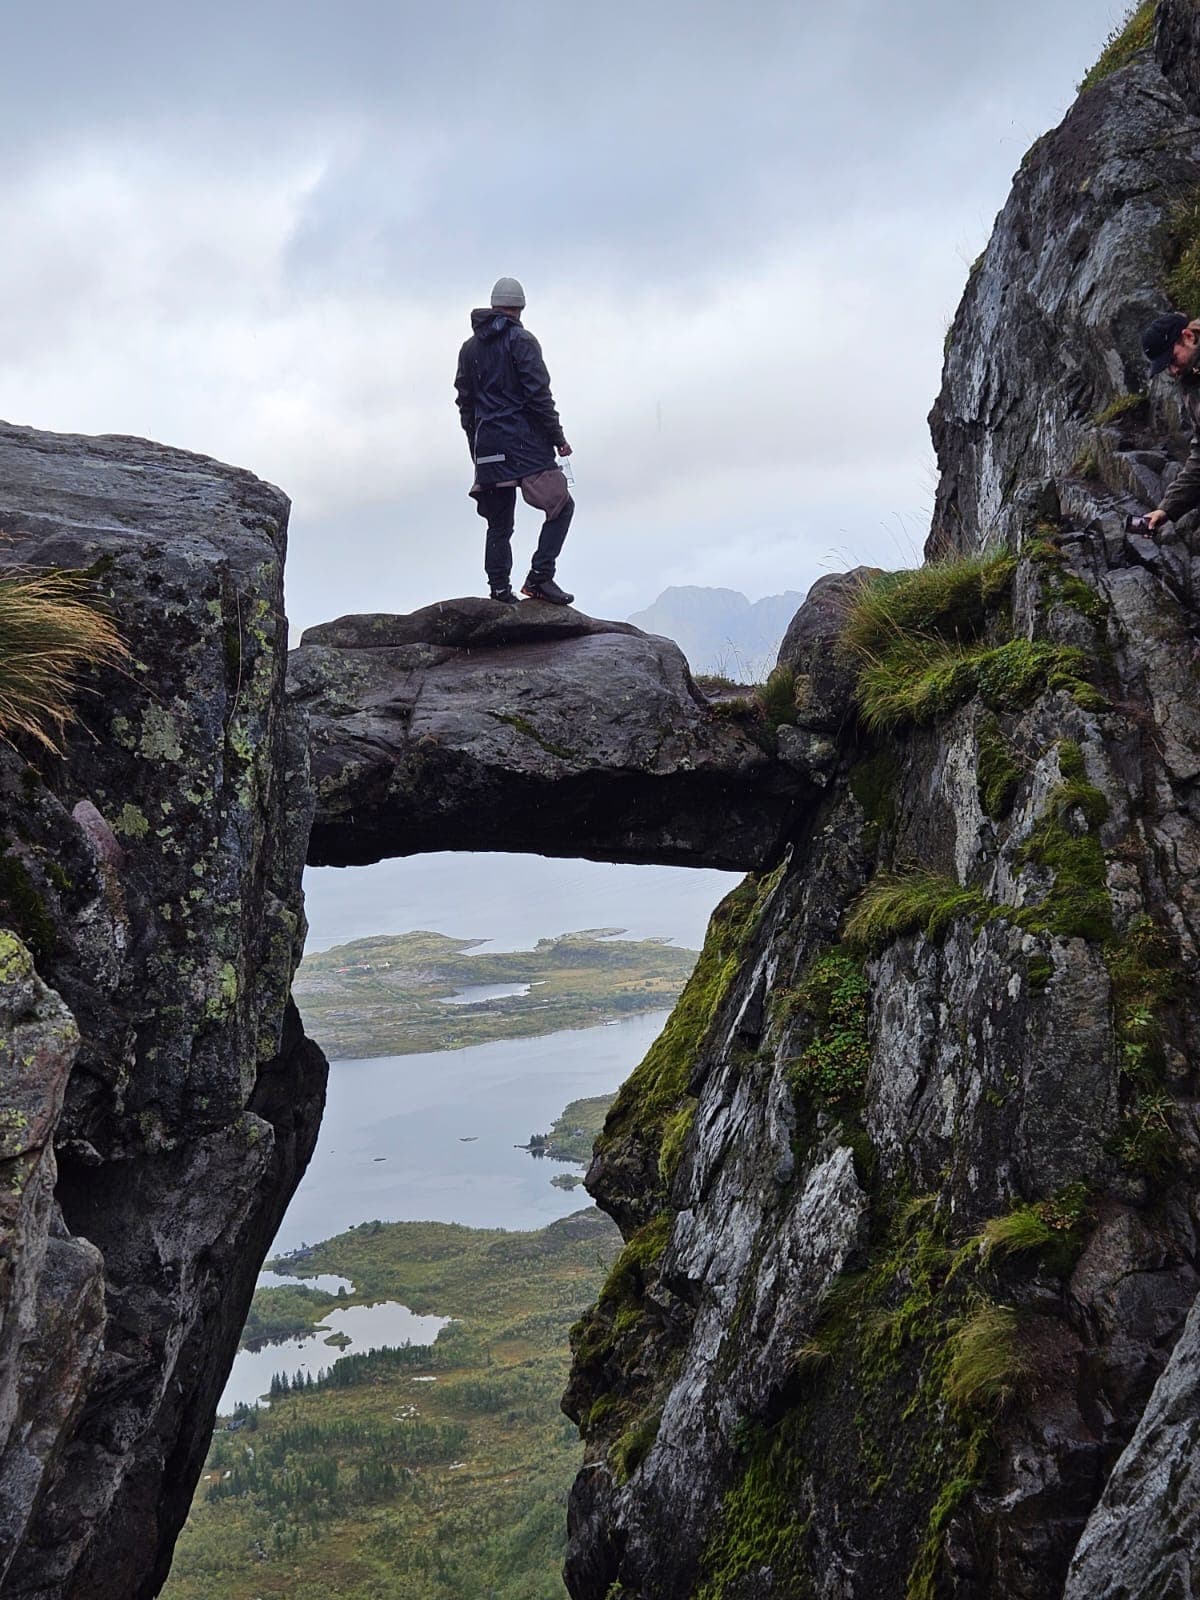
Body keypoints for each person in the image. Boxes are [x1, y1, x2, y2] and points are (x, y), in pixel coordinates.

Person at [454, 276, 576, 606]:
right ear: (519, 308)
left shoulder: (469, 348)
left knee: (499, 523)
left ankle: (499, 592)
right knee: (561, 505)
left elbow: (465, 402)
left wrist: (476, 444)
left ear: (494, 306)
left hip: (488, 446)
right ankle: (540, 577)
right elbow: (539, 395)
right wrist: (557, 437)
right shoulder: (522, 341)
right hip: (525, 444)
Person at [1141, 311, 1200, 532]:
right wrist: (1166, 508)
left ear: (1189, 337)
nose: (1173, 371)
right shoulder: (1191, 385)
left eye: (1173, 359)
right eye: (1167, 366)